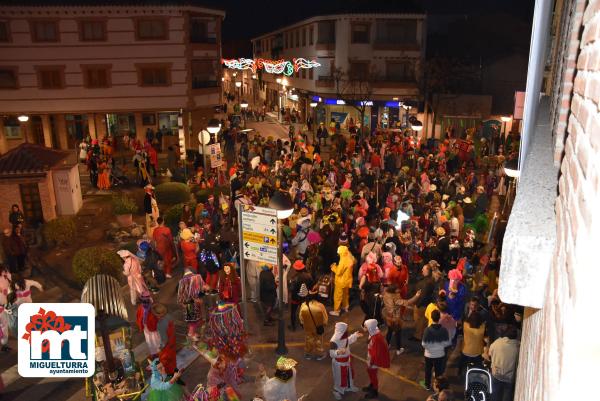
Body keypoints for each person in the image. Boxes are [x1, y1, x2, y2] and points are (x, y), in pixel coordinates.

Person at [382, 285, 421, 355]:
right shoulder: (396, 298)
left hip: (388, 316)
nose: (399, 290)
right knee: (398, 333)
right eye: (397, 289)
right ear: (394, 291)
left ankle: (387, 344)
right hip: (395, 318)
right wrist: (417, 296)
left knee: (390, 330)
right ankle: (398, 349)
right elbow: (407, 302)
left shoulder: (385, 294)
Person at [329, 322, 362, 399]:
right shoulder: (333, 340)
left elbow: (348, 341)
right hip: (339, 363)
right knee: (339, 378)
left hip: (347, 361)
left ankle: (349, 386)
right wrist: (338, 352)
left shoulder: (343, 336)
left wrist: (354, 335)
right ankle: (337, 390)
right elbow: (331, 353)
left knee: (348, 375)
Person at [421, 310, 451, 391]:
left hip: (429, 355)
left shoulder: (427, 330)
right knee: (438, 371)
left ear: (431, 317)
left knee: (428, 370)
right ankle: (438, 387)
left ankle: (427, 385)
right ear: (439, 318)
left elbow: (423, 344)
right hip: (440, 354)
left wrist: (430, 348)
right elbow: (447, 343)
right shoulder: (444, 330)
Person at [487, 326, 520, 401]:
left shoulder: (497, 342)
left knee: (494, 394)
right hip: (509, 377)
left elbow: (489, 354)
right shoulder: (518, 347)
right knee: (507, 396)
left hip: (496, 374)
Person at [362, 319, 390, 399]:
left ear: (370, 327)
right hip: (371, 357)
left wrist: (371, 362)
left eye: (366, 326)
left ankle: (375, 391)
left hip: (373, 360)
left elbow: (376, 353)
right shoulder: (373, 331)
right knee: (371, 373)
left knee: (372, 374)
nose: (365, 328)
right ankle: (372, 385)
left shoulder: (377, 338)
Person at [298, 289, 328, 360]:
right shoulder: (320, 306)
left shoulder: (304, 305)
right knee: (319, 340)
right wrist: (324, 324)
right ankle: (319, 354)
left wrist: (303, 324)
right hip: (318, 326)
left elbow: (301, 317)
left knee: (308, 339)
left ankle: (308, 354)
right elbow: (325, 318)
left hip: (308, 326)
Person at [412, 263, 435, 341]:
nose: (422, 270)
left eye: (423, 269)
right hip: (424, 304)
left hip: (421, 305)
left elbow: (423, 295)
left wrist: (417, 305)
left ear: (428, 271)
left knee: (420, 321)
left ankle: (418, 336)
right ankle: (419, 335)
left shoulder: (427, 282)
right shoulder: (429, 279)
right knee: (422, 322)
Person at [330, 245, 355, 316]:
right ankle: (345, 306)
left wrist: (333, 267)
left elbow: (338, 272)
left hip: (341, 281)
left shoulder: (343, 260)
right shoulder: (349, 257)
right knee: (345, 295)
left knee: (337, 296)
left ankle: (336, 311)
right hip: (347, 280)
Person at [459, 311, 486, 377]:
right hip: (477, 352)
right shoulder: (482, 328)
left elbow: (466, 320)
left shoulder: (465, 325)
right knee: (478, 365)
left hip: (466, 351)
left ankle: (459, 372)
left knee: (461, 363)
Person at [136, 291, 161, 356]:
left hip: (150, 327)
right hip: (149, 328)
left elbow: (139, 319)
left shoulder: (143, 309)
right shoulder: (144, 308)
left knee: (153, 340)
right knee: (153, 340)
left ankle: (156, 353)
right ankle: (156, 352)